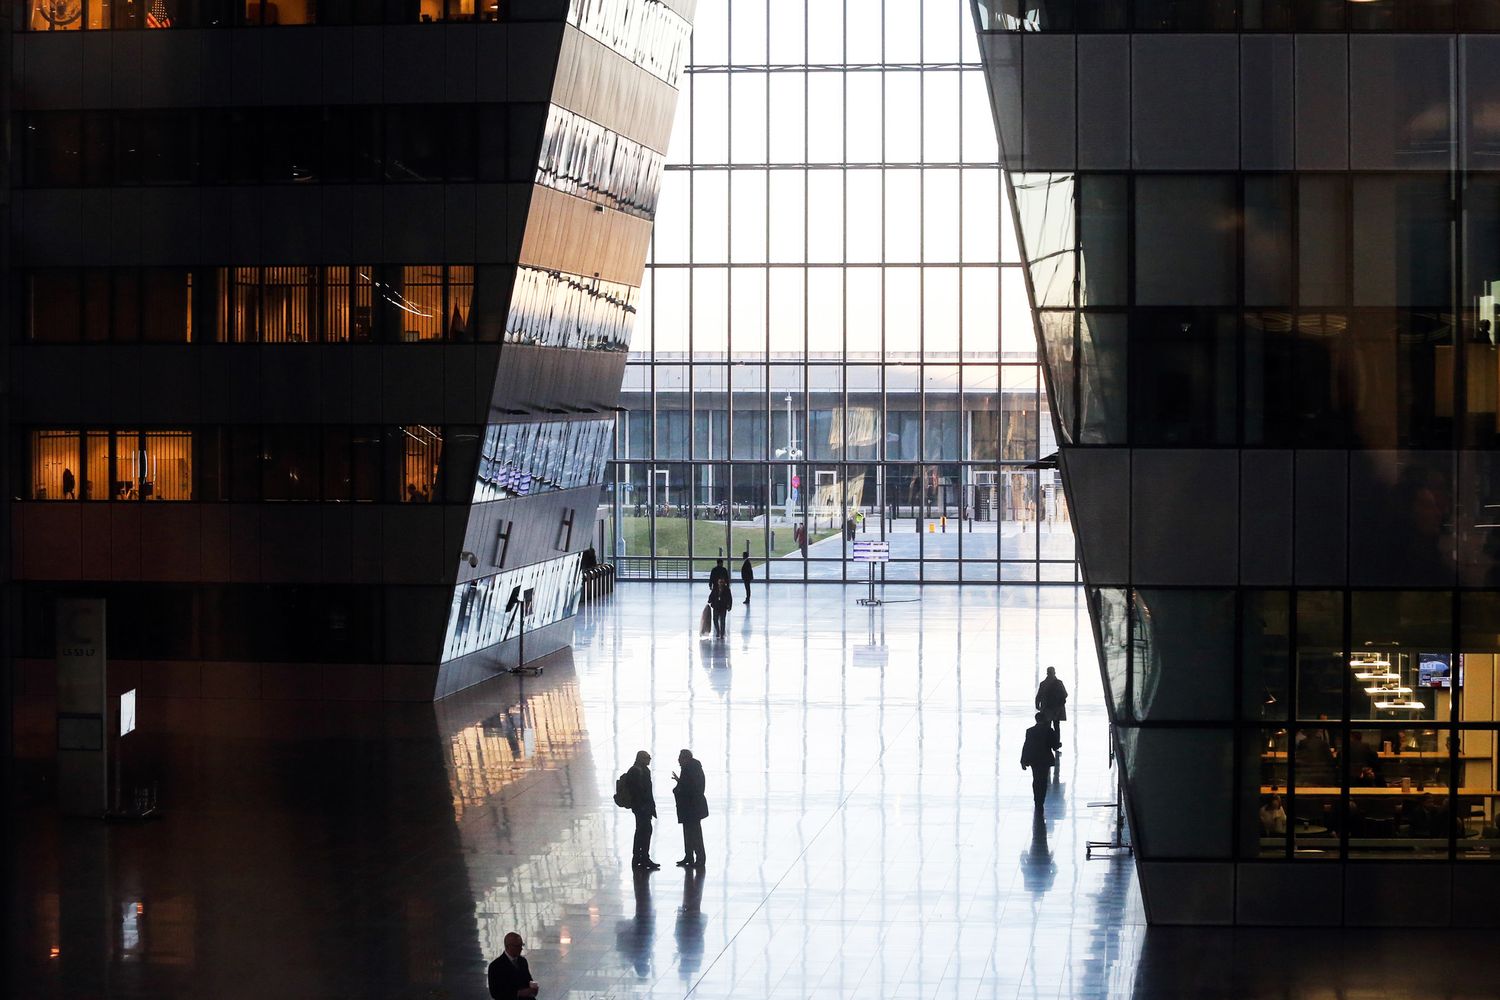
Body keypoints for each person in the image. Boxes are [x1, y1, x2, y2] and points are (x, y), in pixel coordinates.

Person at [671, 748, 708, 869]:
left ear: (686, 758)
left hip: (691, 808)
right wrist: (680, 781)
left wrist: (680, 783)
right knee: (689, 832)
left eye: (680, 758)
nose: (678, 760)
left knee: (694, 833)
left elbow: (690, 788)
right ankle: (689, 856)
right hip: (692, 807)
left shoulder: (689, 769)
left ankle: (699, 858)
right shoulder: (692, 768)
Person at [1020, 711, 1061, 808]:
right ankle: (1041, 799)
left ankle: (1036, 798)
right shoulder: (1049, 730)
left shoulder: (1030, 731)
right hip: (1045, 759)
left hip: (1034, 759)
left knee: (1036, 779)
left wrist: (1023, 760)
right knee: (1043, 780)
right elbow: (1054, 745)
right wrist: (1058, 744)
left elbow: (1026, 746)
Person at [627, 750, 660, 870]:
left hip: (642, 807)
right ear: (641, 758)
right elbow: (640, 791)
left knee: (643, 831)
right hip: (642, 807)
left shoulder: (640, 770)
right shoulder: (638, 771)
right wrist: (645, 805)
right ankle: (641, 857)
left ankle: (640, 857)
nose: (649, 759)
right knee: (643, 831)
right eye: (647, 757)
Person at [487, 932, 539, 999]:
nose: (521, 948)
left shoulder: (522, 961)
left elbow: (528, 980)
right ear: (508, 946)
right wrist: (519, 993)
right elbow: (495, 993)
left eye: (521, 945)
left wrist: (532, 988)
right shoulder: (495, 966)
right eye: (517, 946)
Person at [1035, 667, 1068, 741]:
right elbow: (1065, 694)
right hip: (1057, 709)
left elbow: (1039, 695)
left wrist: (1037, 704)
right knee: (1056, 726)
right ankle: (1056, 742)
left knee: (1047, 726)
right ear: (1054, 673)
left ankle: (1048, 742)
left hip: (1047, 708)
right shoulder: (1059, 683)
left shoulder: (1043, 684)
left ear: (1047, 673)